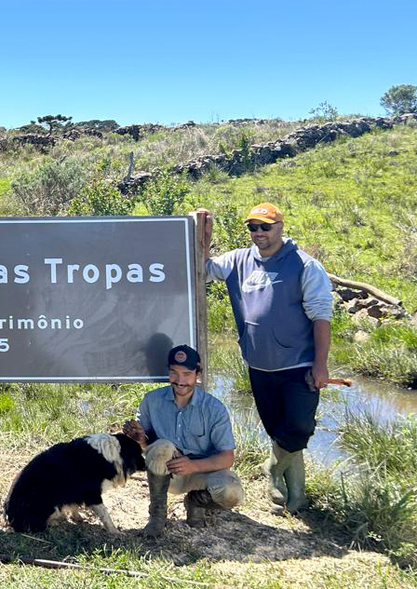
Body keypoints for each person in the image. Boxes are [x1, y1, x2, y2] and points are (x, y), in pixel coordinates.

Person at [196, 202, 332, 514]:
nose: (259, 233)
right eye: (253, 227)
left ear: (280, 227)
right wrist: (205, 233)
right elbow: (202, 270)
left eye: (265, 227)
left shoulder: (305, 265)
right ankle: (296, 498)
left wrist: (320, 363)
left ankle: (272, 470)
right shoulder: (237, 261)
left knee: (298, 427)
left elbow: (321, 316)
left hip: (299, 365)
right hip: (259, 366)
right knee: (279, 430)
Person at [124, 345, 243, 536]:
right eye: (174, 373)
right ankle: (157, 516)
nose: (180, 381)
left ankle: (196, 502)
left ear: (198, 374)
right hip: (167, 475)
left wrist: (193, 466)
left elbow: (227, 458)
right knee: (163, 445)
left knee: (232, 493)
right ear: (168, 372)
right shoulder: (151, 400)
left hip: (203, 474)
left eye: (187, 374)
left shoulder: (214, 408)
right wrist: (139, 439)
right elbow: (149, 448)